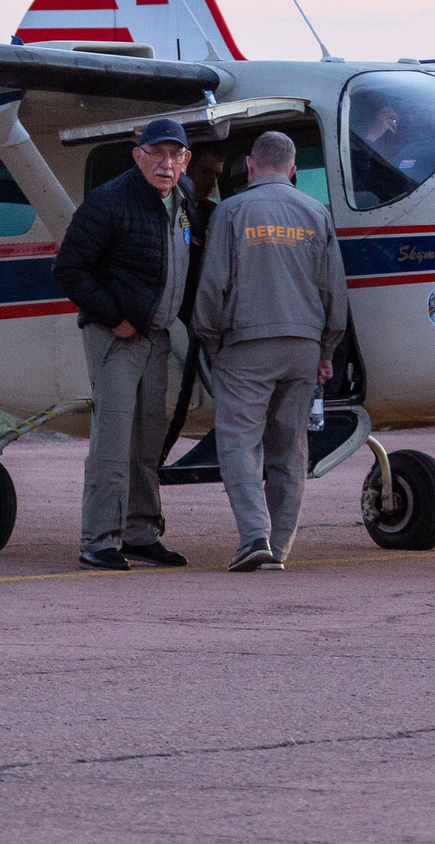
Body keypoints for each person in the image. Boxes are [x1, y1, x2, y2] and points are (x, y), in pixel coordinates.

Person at [194, 130, 350, 571]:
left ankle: (254, 537)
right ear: (293, 169)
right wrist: (326, 349)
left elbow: (213, 285)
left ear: (249, 165)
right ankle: (278, 549)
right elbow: (334, 290)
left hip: (245, 345)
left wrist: (210, 340)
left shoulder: (231, 211)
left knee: (240, 443)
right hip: (303, 348)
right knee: (290, 448)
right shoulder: (316, 213)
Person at [51, 117, 200, 571]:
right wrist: (114, 318)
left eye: (175, 155)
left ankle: (140, 534)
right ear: (138, 156)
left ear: (186, 160)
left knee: (148, 438)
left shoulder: (184, 198)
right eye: (157, 153)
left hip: (156, 336)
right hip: (116, 337)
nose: (166, 163)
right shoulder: (109, 201)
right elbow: (69, 268)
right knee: (112, 440)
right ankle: (98, 541)